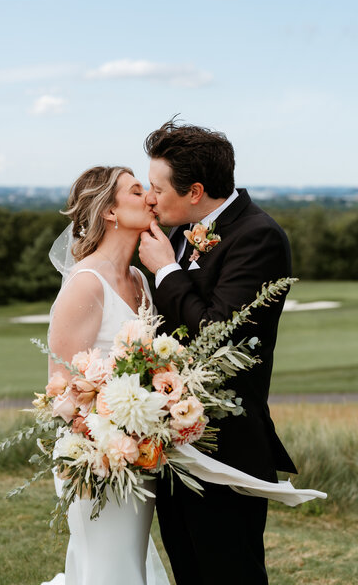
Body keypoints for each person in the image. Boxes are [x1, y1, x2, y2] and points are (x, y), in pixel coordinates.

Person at [138, 119, 297, 585]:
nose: (150, 197)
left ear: (195, 191)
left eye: (156, 187)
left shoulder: (258, 237)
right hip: (171, 440)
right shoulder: (179, 232)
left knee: (230, 570)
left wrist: (167, 272)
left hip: (227, 442)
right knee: (188, 566)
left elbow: (218, 334)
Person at [41, 165, 169, 585]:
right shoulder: (86, 284)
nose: (150, 197)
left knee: (126, 563)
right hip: (95, 458)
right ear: (110, 212)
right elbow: (58, 388)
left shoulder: (138, 281)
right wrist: (108, 434)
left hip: (139, 455)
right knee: (109, 568)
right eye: (137, 191)